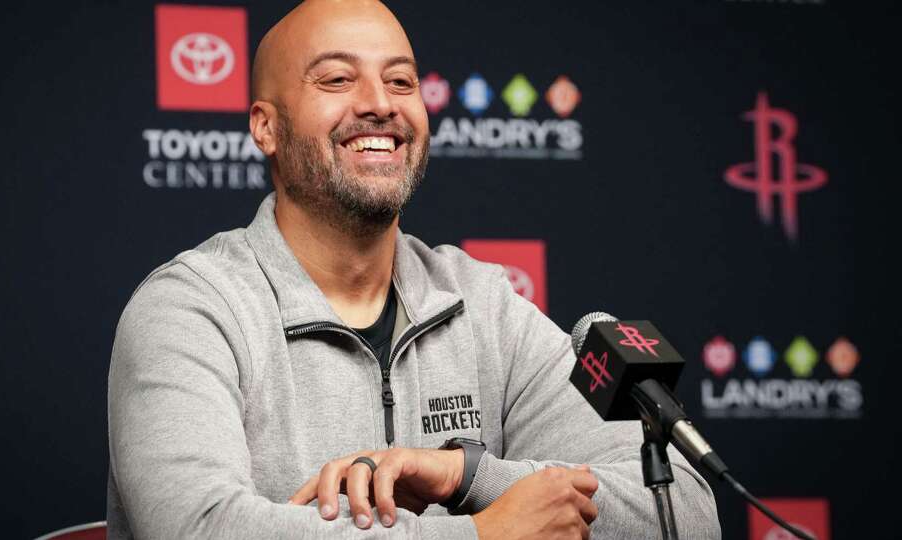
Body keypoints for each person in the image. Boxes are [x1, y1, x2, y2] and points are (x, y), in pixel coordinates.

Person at [106, 1, 721, 538]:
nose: (379, 104)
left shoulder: (482, 304)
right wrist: (484, 536)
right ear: (266, 127)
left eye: (401, 82)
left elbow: (686, 514)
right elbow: (195, 529)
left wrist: (469, 475)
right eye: (338, 79)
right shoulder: (192, 309)